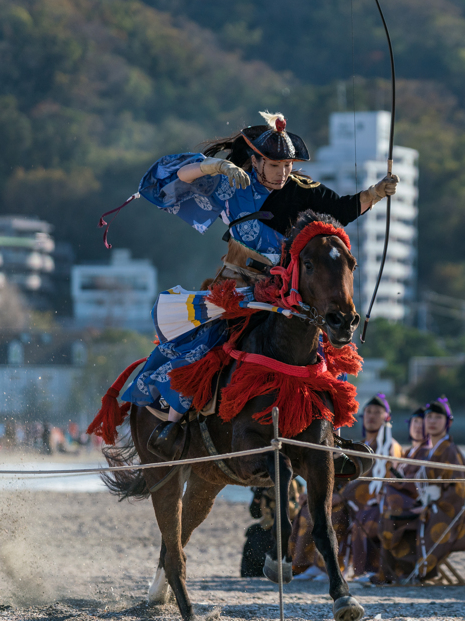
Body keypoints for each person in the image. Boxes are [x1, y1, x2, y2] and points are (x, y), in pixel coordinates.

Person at [118, 111, 399, 457]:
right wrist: (213, 167)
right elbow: (171, 179)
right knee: (207, 340)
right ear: (256, 160)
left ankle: (332, 437)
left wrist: (376, 192)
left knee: (328, 349)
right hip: (240, 284)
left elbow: (343, 209)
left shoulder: (302, 189)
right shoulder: (230, 183)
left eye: (288, 165)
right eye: (275, 165)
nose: (283, 173)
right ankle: (173, 423)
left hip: (291, 291)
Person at [339, 394, 404, 581]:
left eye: (377, 412)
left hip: (380, 502)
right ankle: (321, 567)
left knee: (365, 518)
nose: (372, 416)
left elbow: (384, 479)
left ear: (386, 417)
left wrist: (343, 496)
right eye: (368, 411)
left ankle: (366, 570)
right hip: (356, 500)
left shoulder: (391, 446)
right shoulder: (361, 446)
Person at [411, 396, 465, 581]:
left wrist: (431, 507)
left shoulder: (450, 450)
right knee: (391, 515)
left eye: (438, 417)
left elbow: (457, 490)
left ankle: (421, 572)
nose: (432, 421)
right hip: (428, 503)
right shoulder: (429, 450)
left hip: (445, 508)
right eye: (429, 417)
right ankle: (398, 571)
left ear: (448, 422)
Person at [378, 405, 430, 582]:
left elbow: (418, 484)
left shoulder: (427, 452)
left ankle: (399, 571)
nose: (418, 427)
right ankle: (389, 572)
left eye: (422, 423)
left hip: (414, 503)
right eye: (415, 422)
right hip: (401, 501)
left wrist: (395, 483)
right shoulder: (409, 452)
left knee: (390, 518)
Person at [241, 480, 305, 578]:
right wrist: (257, 496)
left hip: (287, 526)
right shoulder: (263, 482)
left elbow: (295, 510)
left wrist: (280, 497)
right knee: (252, 536)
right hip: (267, 526)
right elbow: (255, 514)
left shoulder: (290, 482)